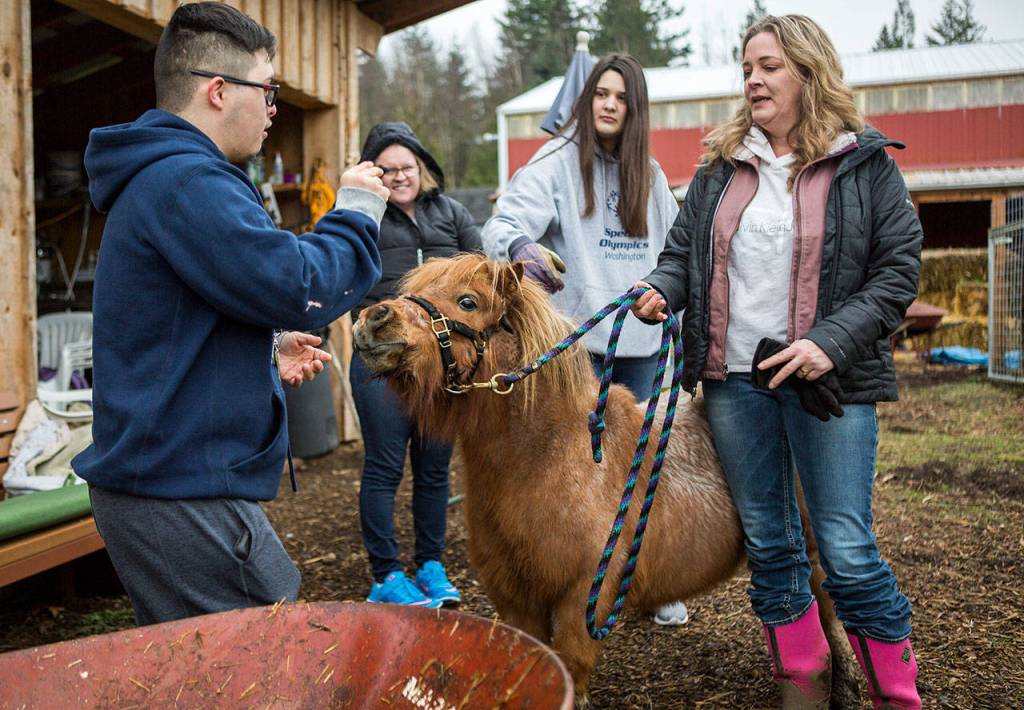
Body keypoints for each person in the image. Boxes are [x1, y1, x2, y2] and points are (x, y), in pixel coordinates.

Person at [631, 15, 923, 709]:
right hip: (735, 382)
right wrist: (659, 290)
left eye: (769, 66)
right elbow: (682, 256)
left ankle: (898, 698)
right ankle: (803, 685)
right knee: (769, 541)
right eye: (746, 68)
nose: (754, 79)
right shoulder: (719, 168)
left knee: (846, 549)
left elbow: (896, 271)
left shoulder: (866, 164)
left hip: (831, 381)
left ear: (807, 71)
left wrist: (831, 341)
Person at [72, 2, 389, 626]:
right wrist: (355, 212)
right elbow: (296, 284)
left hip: (165, 480)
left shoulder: (170, 180)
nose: (274, 110)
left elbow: (176, 321)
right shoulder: (188, 183)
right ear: (218, 91)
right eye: (267, 91)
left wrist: (262, 351)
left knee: (222, 657)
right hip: (173, 489)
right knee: (260, 656)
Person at [482, 53, 689, 628]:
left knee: (640, 464)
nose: (609, 105)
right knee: (568, 470)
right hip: (576, 352)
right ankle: (559, 578)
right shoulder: (553, 163)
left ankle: (643, 577)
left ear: (635, 109)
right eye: (601, 94)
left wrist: (673, 303)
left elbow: (677, 252)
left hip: (641, 346)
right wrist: (521, 249)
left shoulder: (647, 175)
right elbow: (499, 226)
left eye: (622, 98)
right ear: (586, 99)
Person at [351, 122, 482, 608]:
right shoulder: (364, 217)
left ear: (422, 168)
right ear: (374, 174)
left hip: (441, 366)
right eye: (387, 169)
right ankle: (385, 575)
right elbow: (343, 277)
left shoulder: (451, 213)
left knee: (433, 470)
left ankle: (430, 564)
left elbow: (481, 269)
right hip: (382, 365)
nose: (399, 176)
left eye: (407, 167)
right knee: (384, 468)